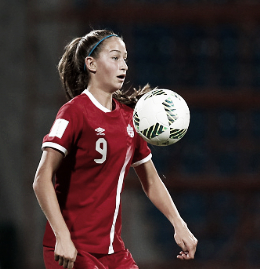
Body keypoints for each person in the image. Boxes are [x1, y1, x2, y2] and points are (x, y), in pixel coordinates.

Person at [32, 29, 198, 269]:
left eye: (125, 58)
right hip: (73, 248)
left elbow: (151, 181)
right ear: (91, 64)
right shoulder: (73, 112)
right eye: (115, 57)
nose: (124, 66)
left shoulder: (131, 119)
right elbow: (41, 179)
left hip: (113, 251)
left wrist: (179, 224)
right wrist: (62, 236)